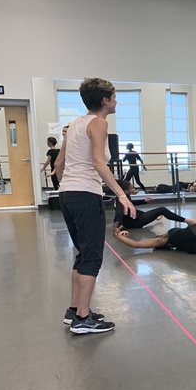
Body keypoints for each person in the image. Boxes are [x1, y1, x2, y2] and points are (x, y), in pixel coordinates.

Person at [53, 77, 136, 334]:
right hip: (85, 195)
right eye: (113, 97)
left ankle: (74, 310)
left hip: (67, 194)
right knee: (92, 256)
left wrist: (68, 186)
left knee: (82, 253)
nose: (116, 101)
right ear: (104, 100)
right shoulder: (99, 123)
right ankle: (83, 318)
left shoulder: (76, 123)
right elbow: (99, 163)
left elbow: (58, 166)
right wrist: (122, 194)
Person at [113, 180, 196, 234]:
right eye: (131, 188)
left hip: (136, 217)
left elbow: (130, 203)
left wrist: (144, 201)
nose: (133, 189)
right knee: (162, 209)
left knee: (139, 211)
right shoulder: (120, 200)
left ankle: (155, 216)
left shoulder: (124, 196)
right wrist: (121, 228)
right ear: (125, 191)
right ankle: (187, 220)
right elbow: (118, 215)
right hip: (135, 222)